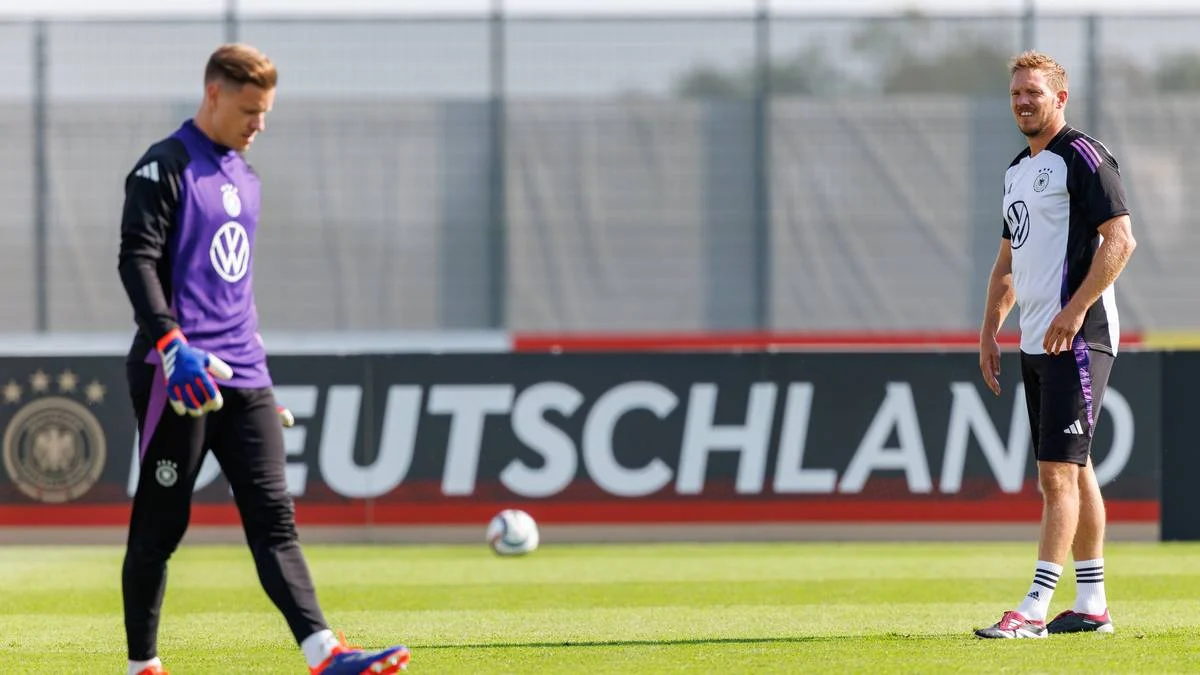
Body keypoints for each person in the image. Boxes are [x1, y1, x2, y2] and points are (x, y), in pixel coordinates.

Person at [117, 44, 411, 674]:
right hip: (179, 375)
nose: (260, 124)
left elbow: (233, 287)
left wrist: (260, 381)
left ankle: (323, 652)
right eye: (250, 110)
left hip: (244, 374)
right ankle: (142, 665)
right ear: (214, 94)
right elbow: (136, 260)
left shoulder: (245, 179)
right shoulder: (162, 166)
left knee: (275, 520)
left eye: (266, 112)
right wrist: (172, 347)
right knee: (160, 529)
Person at [974, 50, 1137, 639]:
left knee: (1055, 477)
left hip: (1080, 336)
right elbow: (1006, 267)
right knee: (1077, 468)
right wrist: (991, 330)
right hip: (1035, 340)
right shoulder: (1017, 169)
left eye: (1034, 93)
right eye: (1016, 93)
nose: (1023, 101)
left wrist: (1073, 312)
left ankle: (1035, 609)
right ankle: (1092, 603)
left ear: (1059, 98)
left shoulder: (1084, 157)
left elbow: (1120, 242)